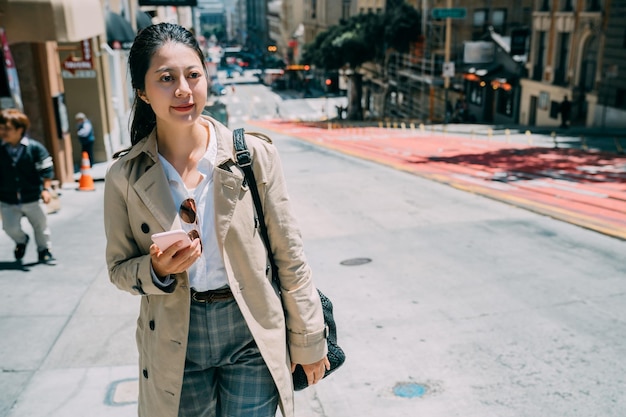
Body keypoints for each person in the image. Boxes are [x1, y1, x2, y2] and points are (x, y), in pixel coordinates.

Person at [103, 23, 329, 417]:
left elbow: (289, 255)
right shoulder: (125, 176)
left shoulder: (252, 156)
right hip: (176, 336)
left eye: (193, 75)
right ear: (142, 91)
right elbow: (119, 269)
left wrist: (309, 340)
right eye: (166, 79)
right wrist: (155, 268)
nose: (183, 90)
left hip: (250, 330)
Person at [0, 108, 56, 264]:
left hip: (32, 196)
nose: (2, 132)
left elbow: (47, 169)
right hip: (7, 199)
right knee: (9, 228)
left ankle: (44, 251)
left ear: (20, 130)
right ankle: (21, 240)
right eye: (1, 128)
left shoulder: (34, 148)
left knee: (41, 226)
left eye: (7, 129)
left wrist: (46, 189)